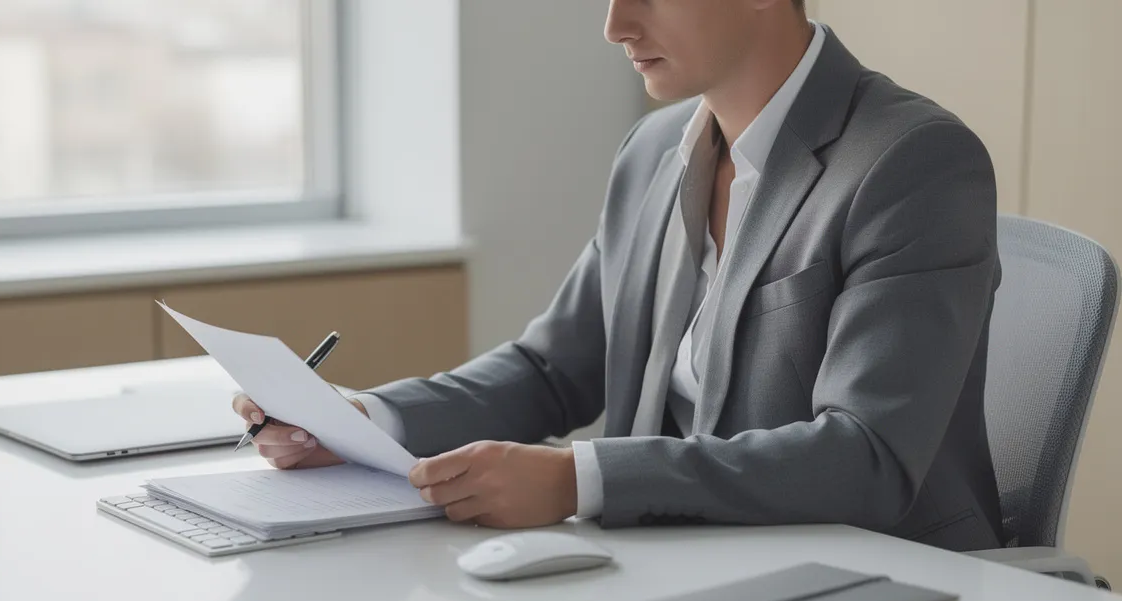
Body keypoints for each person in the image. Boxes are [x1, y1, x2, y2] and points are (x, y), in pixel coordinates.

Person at [233, 0, 1004, 551]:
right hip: (683, 565)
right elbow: (552, 369)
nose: (616, 24)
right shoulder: (654, 148)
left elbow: (863, 456)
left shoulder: (912, 161)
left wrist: (577, 480)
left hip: (877, 585)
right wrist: (365, 423)